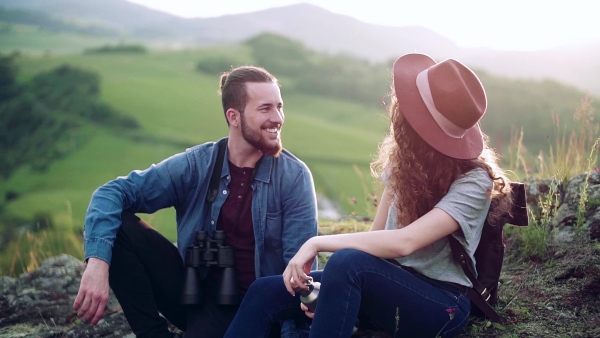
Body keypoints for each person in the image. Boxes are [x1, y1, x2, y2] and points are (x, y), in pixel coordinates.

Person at [223, 53, 515, 338]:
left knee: (346, 263)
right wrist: (333, 290)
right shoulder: (405, 162)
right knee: (264, 291)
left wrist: (316, 243)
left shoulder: (475, 181)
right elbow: (375, 239)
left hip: (441, 302)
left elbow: (405, 242)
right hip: (385, 283)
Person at [72, 65, 319, 338]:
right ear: (233, 117)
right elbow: (112, 193)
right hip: (200, 297)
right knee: (120, 228)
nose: (278, 118)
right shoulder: (197, 164)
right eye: (265, 109)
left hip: (261, 311)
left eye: (279, 107)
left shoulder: (294, 178)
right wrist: (97, 262)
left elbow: (299, 272)